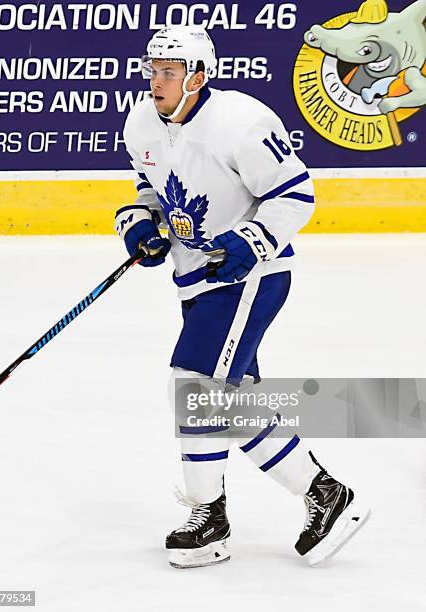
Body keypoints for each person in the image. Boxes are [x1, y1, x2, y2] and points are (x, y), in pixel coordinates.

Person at [115, 25, 370, 569]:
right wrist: (140, 221)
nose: (156, 80)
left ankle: (208, 520)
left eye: (169, 71)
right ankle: (326, 495)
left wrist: (251, 240)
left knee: (195, 387)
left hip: (250, 278)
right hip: (197, 281)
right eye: (152, 69)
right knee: (235, 405)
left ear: (198, 76)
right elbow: (148, 189)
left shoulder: (242, 123)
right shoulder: (141, 122)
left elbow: (295, 194)